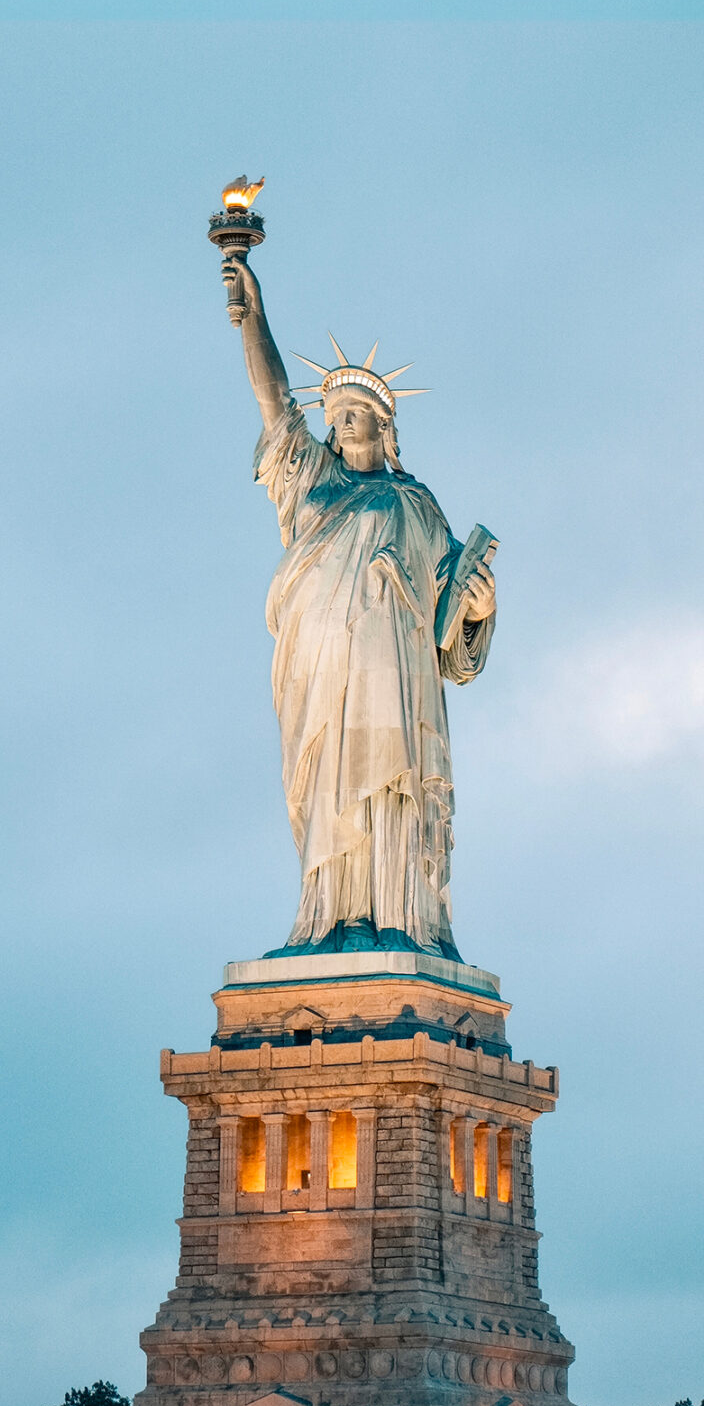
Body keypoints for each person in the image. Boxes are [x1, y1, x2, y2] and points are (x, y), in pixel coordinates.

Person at [222, 253, 496, 959]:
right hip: (320, 658)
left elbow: (452, 641)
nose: (340, 422)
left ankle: (400, 917)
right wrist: (253, 314)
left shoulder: (416, 506)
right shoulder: (310, 480)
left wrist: (476, 609)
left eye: (355, 414)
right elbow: (274, 403)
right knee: (332, 783)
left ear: (383, 426)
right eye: (334, 414)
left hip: (394, 667)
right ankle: (330, 920)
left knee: (390, 781)